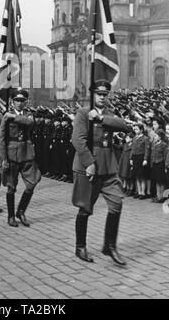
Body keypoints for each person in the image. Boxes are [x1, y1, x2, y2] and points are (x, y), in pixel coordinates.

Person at [71, 79, 132, 265]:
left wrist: (100, 118)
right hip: (88, 168)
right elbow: (78, 140)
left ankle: (110, 246)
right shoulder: (83, 113)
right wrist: (89, 163)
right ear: (93, 95)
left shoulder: (108, 115)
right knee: (85, 208)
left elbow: (125, 126)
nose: (103, 97)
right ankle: (80, 246)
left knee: (116, 204)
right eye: (99, 94)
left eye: (106, 95)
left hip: (107, 168)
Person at [0, 88, 41, 227]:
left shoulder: (28, 114)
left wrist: (14, 117)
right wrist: (4, 159)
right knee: (11, 187)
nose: (20, 103)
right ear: (12, 102)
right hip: (12, 155)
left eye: (22, 101)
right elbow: (1, 139)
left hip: (27, 154)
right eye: (17, 101)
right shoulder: (6, 116)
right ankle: (11, 216)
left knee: (32, 183)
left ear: (26, 102)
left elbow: (30, 123)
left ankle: (21, 211)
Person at [130, 123, 150, 199]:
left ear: (141, 130)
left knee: (142, 176)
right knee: (137, 176)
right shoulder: (135, 138)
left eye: (137, 129)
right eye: (134, 129)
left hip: (141, 158)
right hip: (135, 158)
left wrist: (145, 159)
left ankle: (143, 193)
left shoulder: (145, 138)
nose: (135, 130)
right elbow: (132, 149)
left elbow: (146, 150)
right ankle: (139, 192)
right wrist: (131, 158)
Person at [150, 128, 168, 203]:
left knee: (161, 181)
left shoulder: (164, 145)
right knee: (157, 180)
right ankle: (158, 196)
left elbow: (165, 156)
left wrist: (165, 167)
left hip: (161, 164)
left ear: (160, 137)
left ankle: (161, 197)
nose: (155, 137)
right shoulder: (154, 144)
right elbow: (152, 155)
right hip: (155, 164)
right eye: (154, 136)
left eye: (156, 136)